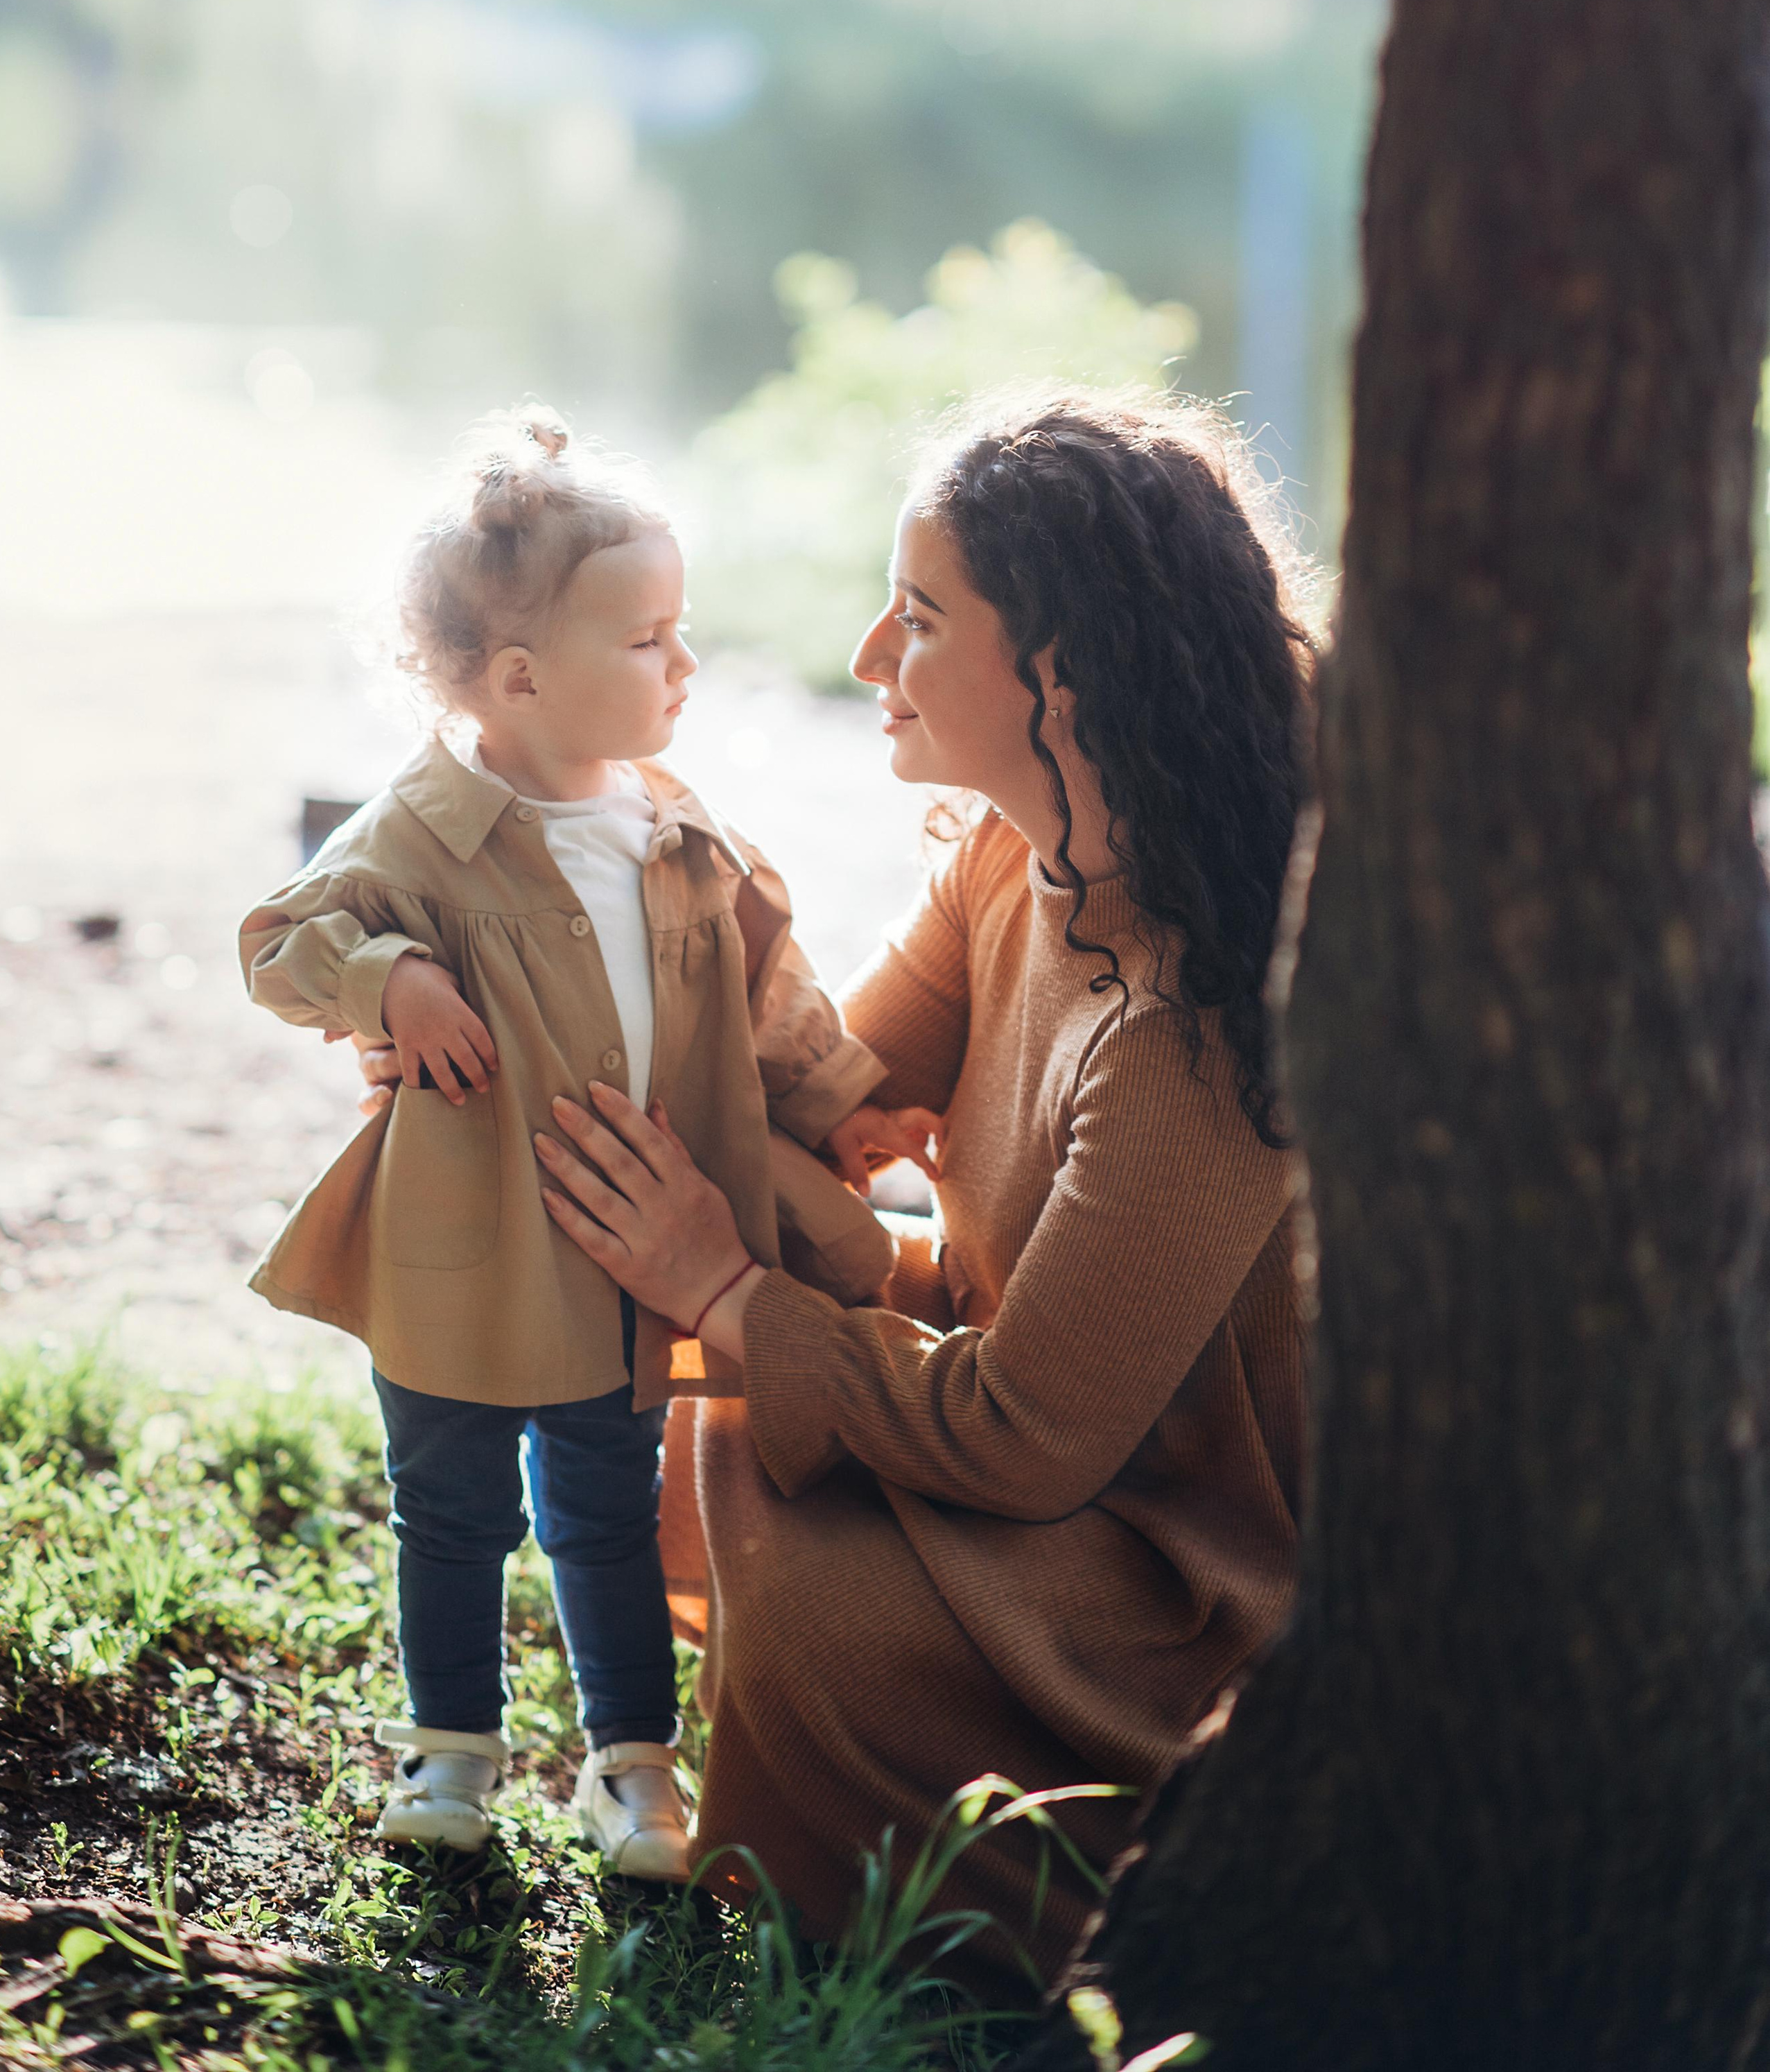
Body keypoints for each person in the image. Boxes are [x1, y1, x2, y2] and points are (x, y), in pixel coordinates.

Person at [530, 390, 1317, 1984]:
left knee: (803, 1555)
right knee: (737, 1408)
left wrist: (723, 1284)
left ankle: (1107, 1921)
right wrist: (516, 973)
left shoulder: (1196, 1032)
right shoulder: (1007, 855)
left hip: (1184, 1568)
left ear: (1067, 670)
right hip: (1039, 1424)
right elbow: (808, 1096)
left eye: (917, 616)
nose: (868, 656)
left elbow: (1024, 1440)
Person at [238, 406, 926, 1873]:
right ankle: (452, 1748)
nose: (684, 667)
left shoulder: (676, 834)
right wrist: (388, 978)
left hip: (624, 1260)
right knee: (451, 1504)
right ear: (519, 678)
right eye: (649, 641)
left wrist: (840, 1103)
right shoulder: (421, 833)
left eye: (681, 633)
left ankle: (631, 1761)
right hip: (461, 1245)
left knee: (607, 1507)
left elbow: (766, 1000)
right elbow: (282, 941)